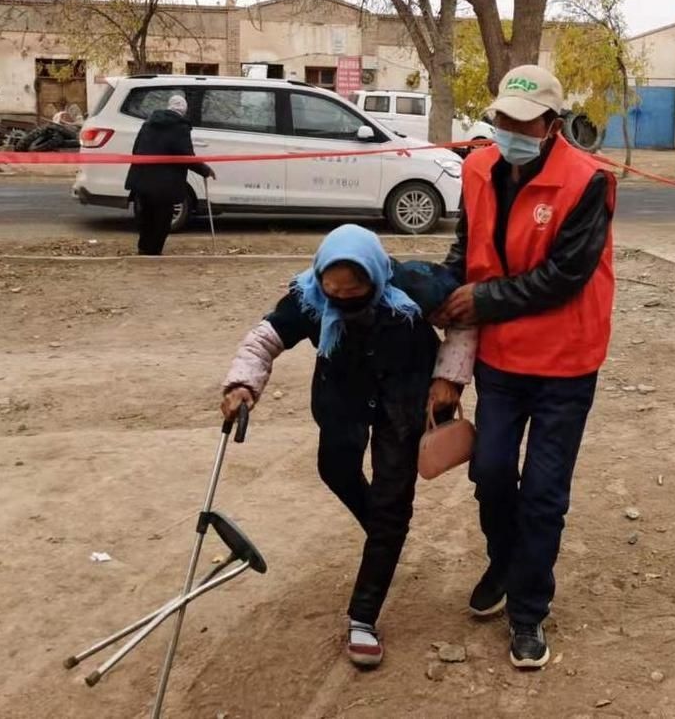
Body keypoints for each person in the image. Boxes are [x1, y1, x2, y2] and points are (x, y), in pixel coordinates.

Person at [220, 224, 474, 668]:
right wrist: (243, 384)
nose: (340, 300)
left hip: (403, 402)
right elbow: (265, 339)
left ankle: (363, 616)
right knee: (336, 470)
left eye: (354, 292)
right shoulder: (309, 297)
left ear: (377, 279)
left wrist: (448, 377)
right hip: (343, 402)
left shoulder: (417, 285)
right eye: (331, 290)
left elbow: (465, 320)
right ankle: (385, 533)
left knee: (393, 501)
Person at [435, 65, 615, 670]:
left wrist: (484, 300)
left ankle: (529, 610)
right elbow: (470, 247)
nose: (508, 130)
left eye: (522, 121)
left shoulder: (588, 182)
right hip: (503, 358)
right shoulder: (478, 168)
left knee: (542, 492)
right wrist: (447, 292)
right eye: (501, 119)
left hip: (566, 359)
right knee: (489, 471)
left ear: (550, 124)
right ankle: (505, 563)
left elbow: (566, 276)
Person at [125, 94, 215, 256]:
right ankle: (154, 252)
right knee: (162, 220)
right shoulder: (180, 128)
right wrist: (205, 170)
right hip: (164, 185)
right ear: (184, 111)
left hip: (142, 180)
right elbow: (186, 157)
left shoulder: (148, 124)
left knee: (146, 217)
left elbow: (136, 150)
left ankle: (143, 249)